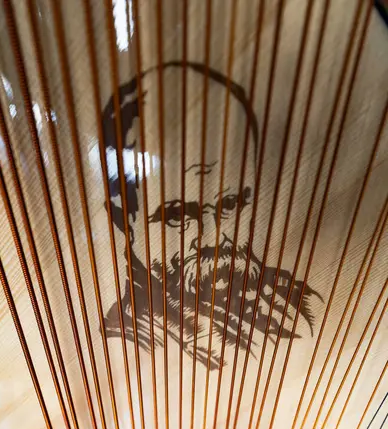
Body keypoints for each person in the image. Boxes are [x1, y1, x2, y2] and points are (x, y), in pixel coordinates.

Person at [102, 62, 321, 368]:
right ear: (121, 216)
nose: (213, 235)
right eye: (177, 215)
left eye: (230, 204)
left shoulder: (298, 302)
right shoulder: (119, 347)